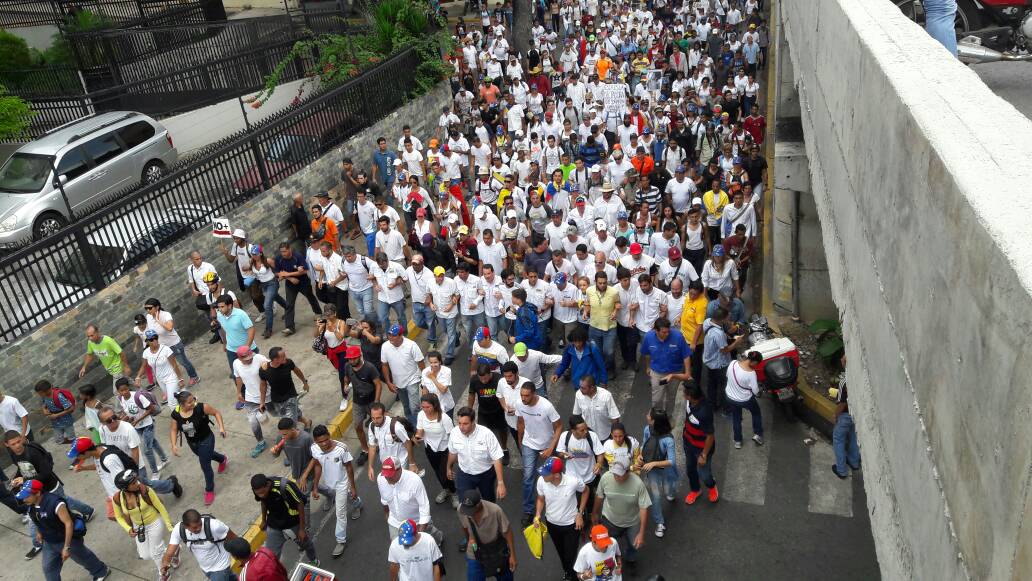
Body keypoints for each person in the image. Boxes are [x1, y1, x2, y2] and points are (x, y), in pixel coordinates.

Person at [16, 479, 111, 581]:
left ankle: (101, 571)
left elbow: (68, 523)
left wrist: (66, 547)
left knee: (83, 557)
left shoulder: (55, 503)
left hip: (66, 539)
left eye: (27, 496)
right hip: (48, 541)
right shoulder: (31, 505)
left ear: (38, 493)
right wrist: (39, 532)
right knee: (48, 567)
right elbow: (38, 519)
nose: (24, 499)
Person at [6, 430, 95, 520]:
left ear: (22, 439)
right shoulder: (13, 455)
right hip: (38, 489)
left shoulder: (33, 452)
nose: (17, 445)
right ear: (7, 445)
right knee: (56, 507)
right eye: (13, 444)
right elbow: (22, 467)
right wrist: (16, 479)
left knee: (65, 502)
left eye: (18, 441)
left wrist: (24, 480)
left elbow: (46, 472)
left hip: (51, 486)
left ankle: (87, 511)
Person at [303, 424, 363, 557]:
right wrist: (315, 487)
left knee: (340, 512)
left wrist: (353, 486)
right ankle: (358, 504)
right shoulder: (314, 448)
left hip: (343, 483)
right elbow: (318, 465)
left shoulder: (342, 449)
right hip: (330, 482)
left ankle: (341, 541)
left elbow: (349, 468)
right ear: (315, 441)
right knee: (350, 498)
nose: (324, 444)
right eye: (320, 442)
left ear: (329, 436)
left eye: (326, 440)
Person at [96, 407, 182, 497]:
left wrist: (132, 472)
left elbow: (135, 451)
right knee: (139, 489)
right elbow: (106, 448)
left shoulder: (127, 429)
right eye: (109, 420)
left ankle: (170, 484)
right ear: (103, 423)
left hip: (134, 465)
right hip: (121, 467)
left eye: (114, 417)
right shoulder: (102, 430)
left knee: (144, 486)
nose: (113, 420)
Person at [111, 469, 173, 578]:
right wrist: (128, 529)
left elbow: (161, 507)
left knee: (155, 554)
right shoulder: (117, 498)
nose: (138, 483)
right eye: (134, 483)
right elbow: (118, 516)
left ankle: (163, 573)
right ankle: (172, 551)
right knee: (145, 555)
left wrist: (169, 526)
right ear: (125, 488)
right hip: (138, 527)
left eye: (137, 480)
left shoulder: (146, 491)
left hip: (154, 522)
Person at [534, 456, 588, 580]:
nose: (542, 475)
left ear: (557, 475)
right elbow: (541, 499)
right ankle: (568, 573)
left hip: (571, 526)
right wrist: (537, 514)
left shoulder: (573, 481)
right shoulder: (542, 481)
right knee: (561, 553)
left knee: (570, 555)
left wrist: (580, 513)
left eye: (546, 473)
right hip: (552, 524)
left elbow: (586, 491)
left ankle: (573, 576)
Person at [516, 381, 563, 525]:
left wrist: (551, 447)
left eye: (526, 396)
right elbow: (521, 422)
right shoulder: (519, 404)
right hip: (529, 443)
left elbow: (559, 426)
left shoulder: (546, 406)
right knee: (528, 477)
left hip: (548, 444)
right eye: (522, 395)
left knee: (555, 474)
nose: (523, 399)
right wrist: (520, 442)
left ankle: (559, 503)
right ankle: (529, 510)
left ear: (534, 394)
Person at [169, 391, 227, 506]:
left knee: (205, 465)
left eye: (193, 400)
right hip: (192, 443)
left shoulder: (201, 407)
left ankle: (209, 490)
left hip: (207, 439)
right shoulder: (176, 413)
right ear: (181, 404)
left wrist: (221, 428)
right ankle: (222, 459)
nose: (193, 403)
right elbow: (174, 429)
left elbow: (216, 413)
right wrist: (174, 445)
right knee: (205, 456)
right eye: (189, 402)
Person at [591, 458, 648, 574]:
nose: (616, 477)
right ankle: (610, 567)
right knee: (606, 545)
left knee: (634, 545)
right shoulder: (606, 478)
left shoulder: (638, 484)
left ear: (628, 471)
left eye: (620, 474)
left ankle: (630, 559)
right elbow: (599, 496)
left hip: (632, 522)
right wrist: (594, 513)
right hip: (610, 520)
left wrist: (642, 533)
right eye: (614, 473)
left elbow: (644, 508)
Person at [252, 473, 318, 564]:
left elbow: (300, 504)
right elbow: (263, 502)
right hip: (274, 524)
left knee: (305, 543)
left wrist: (302, 529)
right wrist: (263, 520)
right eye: (258, 493)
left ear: (267, 485)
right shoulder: (259, 490)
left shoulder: (285, 486)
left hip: (292, 522)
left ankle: (313, 559)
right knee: (271, 556)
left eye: (263, 492)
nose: (261, 495)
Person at [378, 456, 443, 545]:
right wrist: (387, 515)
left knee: (429, 541)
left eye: (390, 476)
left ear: (399, 470)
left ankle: (437, 538)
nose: (387, 479)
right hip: (395, 523)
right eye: (385, 476)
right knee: (398, 547)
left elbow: (424, 506)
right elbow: (385, 500)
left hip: (417, 522)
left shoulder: (414, 480)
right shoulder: (381, 479)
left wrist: (420, 533)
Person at [447, 406, 507, 505]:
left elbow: (496, 458)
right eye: (459, 423)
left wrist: (500, 483)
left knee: (489, 503)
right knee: (465, 503)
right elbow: (452, 452)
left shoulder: (486, 434)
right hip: (465, 474)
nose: (461, 427)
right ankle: (471, 519)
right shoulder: (454, 433)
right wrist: (448, 467)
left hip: (485, 475)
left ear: (473, 421)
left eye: (465, 424)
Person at [114, 377, 169, 479]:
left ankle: (155, 472)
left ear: (129, 387)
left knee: (147, 450)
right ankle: (164, 459)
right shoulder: (121, 399)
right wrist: (125, 419)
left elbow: (150, 408)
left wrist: (137, 420)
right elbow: (129, 412)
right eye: (122, 390)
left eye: (126, 389)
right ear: (118, 391)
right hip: (138, 427)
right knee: (153, 442)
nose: (125, 392)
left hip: (148, 425)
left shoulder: (138, 396)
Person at [458, 489, 517, 581]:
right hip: (475, 551)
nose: (468, 513)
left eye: (470, 510)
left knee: (506, 578)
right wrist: (470, 539)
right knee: (474, 577)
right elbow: (465, 527)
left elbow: (508, 532)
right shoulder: (462, 510)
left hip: (496, 550)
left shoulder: (495, 511)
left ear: (478, 505)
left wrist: (512, 556)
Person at [162, 509, 238, 581]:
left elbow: (234, 538)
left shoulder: (214, 526)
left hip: (221, 566)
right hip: (205, 568)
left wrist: (239, 555)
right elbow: (169, 553)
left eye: (200, 524)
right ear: (185, 526)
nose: (199, 528)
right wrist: (164, 565)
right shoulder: (179, 530)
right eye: (194, 527)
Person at [636, 408, 677, 538]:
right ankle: (660, 522)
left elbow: (671, 461)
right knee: (656, 496)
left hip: (666, 469)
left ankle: (670, 493)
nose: (646, 415)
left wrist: (654, 463)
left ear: (654, 421)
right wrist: (640, 456)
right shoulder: (647, 429)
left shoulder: (668, 439)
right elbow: (644, 444)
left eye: (649, 415)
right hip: (652, 471)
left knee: (669, 488)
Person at [640, 317, 694, 409]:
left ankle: (668, 417)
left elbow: (686, 355)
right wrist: (648, 367)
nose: (667, 334)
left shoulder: (678, 337)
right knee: (657, 398)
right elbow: (647, 354)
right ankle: (656, 418)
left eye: (668, 331)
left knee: (671, 397)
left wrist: (687, 373)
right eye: (664, 332)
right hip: (658, 374)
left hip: (675, 374)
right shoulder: (648, 338)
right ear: (656, 331)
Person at [144, 298, 200, 386]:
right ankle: (175, 381)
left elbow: (170, 328)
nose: (148, 310)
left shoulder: (166, 315)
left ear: (157, 307)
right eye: (146, 309)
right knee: (169, 365)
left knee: (183, 362)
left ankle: (194, 376)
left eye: (150, 308)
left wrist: (158, 321)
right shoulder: (148, 317)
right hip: (162, 346)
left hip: (174, 344)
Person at [702, 307, 747, 414]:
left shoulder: (707, 322)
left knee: (711, 386)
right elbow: (725, 350)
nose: (729, 320)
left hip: (709, 362)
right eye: (727, 318)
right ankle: (726, 409)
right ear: (722, 320)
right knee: (724, 387)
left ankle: (712, 406)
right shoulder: (718, 334)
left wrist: (727, 336)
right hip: (720, 364)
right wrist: (737, 342)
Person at [415, 393, 458, 507]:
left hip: (445, 450)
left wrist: (455, 453)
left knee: (445, 472)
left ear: (434, 405)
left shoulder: (444, 418)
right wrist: (417, 437)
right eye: (423, 407)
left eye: (427, 407)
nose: (425, 409)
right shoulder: (421, 415)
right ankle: (445, 489)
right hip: (430, 448)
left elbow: (453, 435)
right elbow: (420, 431)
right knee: (437, 472)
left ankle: (453, 492)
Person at [381, 323, 426, 428]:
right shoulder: (385, 346)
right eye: (389, 334)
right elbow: (384, 365)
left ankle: (418, 427)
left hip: (412, 379)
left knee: (414, 406)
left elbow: (421, 363)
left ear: (401, 335)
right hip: (398, 383)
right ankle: (411, 423)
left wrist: (425, 381)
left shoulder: (411, 345)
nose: (390, 337)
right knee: (406, 406)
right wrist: (388, 382)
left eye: (393, 335)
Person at [274, 242, 323, 336]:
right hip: (290, 283)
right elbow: (278, 272)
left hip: (303, 281)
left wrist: (287, 274)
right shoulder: (278, 259)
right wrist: (290, 278)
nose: (283, 254)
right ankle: (290, 327)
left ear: (289, 249)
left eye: (285, 251)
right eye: (281, 252)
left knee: (310, 296)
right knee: (289, 304)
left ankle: (318, 312)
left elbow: (304, 271)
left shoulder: (298, 256)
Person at [682, 382, 719, 505]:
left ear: (690, 396)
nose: (683, 394)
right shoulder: (691, 401)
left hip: (700, 449)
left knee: (705, 475)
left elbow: (710, 436)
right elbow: (687, 377)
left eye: (684, 393)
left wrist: (703, 455)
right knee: (690, 469)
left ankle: (711, 485)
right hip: (688, 442)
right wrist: (672, 376)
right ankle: (695, 490)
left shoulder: (704, 412)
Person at [233, 346, 272, 458]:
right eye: (246, 359)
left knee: (277, 413)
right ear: (240, 359)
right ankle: (261, 442)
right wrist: (239, 392)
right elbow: (238, 378)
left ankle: (298, 418)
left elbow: (273, 366)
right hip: (251, 398)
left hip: (268, 395)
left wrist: (267, 365)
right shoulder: (236, 363)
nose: (250, 360)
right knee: (253, 421)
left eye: (250, 357)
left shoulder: (259, 358)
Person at [366, 402, 418, 480]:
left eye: (378, 418)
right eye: (373, 418)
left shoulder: (396, 426)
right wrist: (370, 467)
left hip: (400, 464)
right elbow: (372, 447)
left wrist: (412, 463)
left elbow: (408, 443)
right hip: (386, 464)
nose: (375, 421)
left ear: (384, 414)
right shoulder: (372, 426)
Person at [136, 328, 186, 408]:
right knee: (176, 397)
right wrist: (138, 377)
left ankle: (178, 418)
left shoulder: (166, 349)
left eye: (156, 337)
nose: (154, 340)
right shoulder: (146, 353)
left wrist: (180, 379)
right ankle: (187, 403)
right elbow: (144, 366)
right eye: (151, 339)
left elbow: (174, 365)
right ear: (147, 341)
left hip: (171, 377)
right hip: (160, 380)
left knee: (171, 403)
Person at [583, 271, 622, 372]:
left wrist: (615, 311)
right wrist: (585, 311)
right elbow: (587, 303)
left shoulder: (614, 292)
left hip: (609, 327)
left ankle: (610, 369)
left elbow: (618, 303)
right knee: (597, 351)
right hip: (594, 327)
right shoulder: (589, 291)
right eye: (600, 283)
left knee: (609, 352)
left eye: (604, 283)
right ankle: (601, 369)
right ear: (595, 282)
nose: (602, 285)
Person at [726, 351, 765, 449]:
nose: (756, 366)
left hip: (730, 397)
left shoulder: (733, 363)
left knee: (736, 418)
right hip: (745, 400)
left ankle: (738, 441)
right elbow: (755, 391)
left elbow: (727, 376)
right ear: (754, 362)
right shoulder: (751, 374)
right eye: (757, 364)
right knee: (756, 413)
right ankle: (757, 434)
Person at [215, 295, 259, 377]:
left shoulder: (241, 314)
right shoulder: (219, 315)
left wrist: (247, 347)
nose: (220, 309)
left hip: (248, 349)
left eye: (222, 307)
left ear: (230, 306)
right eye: (218, 307)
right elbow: (224, 330)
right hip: (231, 350)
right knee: (237, 375)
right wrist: (225, 343)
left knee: (254, 374)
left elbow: (251, 330)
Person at [832, 357, 861, 478]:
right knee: (854, 437)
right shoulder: (860, 376)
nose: (841, 360)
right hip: (858, 413)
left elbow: (842, 403)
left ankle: (841, 470)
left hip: (845, 415)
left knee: (838, 439)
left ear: (845, 363)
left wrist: (835, 416)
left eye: (843, 359)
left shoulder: (844, 381)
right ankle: (854, 462)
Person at [79, 324, 130, 388]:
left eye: (92, 335)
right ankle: (141, 391)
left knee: (118, 391)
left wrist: (126, 366)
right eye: (88, 336)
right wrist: (84, 367)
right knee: (127, 384)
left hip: (118, 368)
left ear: (97, 332)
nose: (90, 338)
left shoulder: (108, 341)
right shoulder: (90, 342)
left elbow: (121, 353)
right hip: (111, 370)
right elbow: (90, 355)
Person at [572, 376, 621, 441]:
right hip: (587, 436)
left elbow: (615, 417)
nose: (580, 389)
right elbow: (576, 414)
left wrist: (614, 436)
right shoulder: (578, 394)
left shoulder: (606, 395)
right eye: (580, 387)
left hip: (605, 435)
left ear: (592, 388)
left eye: (583, 388)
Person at [33, 380, 76, 445]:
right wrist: (44, 410)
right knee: (59, 440)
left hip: (67, 421)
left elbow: (70, 408)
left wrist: (56, 415)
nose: (39, 395)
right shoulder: (44, 396)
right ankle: (74, 443)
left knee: (72, 437)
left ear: (47, 390)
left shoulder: (59, 396)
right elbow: (44, 404)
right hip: (56, 423)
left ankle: (77, 447)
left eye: (40, 393)